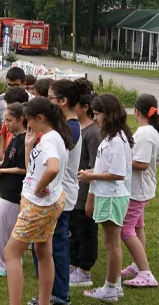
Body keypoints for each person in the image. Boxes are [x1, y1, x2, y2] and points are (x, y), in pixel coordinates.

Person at [4, 96, 71, 305]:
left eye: (29, 120)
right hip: (47, 202)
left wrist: (39, 187)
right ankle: (44, 302)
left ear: (40, 117)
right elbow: (32, 169)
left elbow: (52, 168)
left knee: (10, 254)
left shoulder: (50, 139)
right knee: (42, 251)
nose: (28, 125)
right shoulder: (53, 136)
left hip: (38, 205)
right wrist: (28, 145)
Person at [28, 79, 84, 304]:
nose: (46, 102)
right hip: (53, 193)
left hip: (59, 194)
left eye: (50, 98)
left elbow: (53, 164)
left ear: (63, 101)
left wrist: (40, 186)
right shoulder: (64, 126)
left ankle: (59, 294)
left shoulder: (68, 128)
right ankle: (49, 291)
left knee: (55, 246)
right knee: (43, 246)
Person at [78, 94, 133, 302]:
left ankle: (110, 289)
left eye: (98, 113)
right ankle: (115, 284)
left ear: (108, 114)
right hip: (106, 195)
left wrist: (90, 175)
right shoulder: (111, 137)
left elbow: (118, 173)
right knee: (111, 243)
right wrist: (92, 189)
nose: (96, 117)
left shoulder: (117, 140)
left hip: (113, 196)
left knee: (112, 245)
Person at [119, 94, 159, 287]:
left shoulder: (144, 133)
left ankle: (146, 274)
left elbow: (141, 164)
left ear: (136, 112)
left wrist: (120, 160)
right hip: (143, 187)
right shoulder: (151, 131)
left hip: (137, 189)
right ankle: (137, 265)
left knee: (125, 230)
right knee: (137, 227)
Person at [69, 79, 102, 288]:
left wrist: (90, 197)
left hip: (86, 193)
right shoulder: (78, 128)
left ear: (85, 107)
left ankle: (84, 270)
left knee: (86, 232)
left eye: (75, 106)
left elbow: (96, 168)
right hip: (74, 192)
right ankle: (74, 264)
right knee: (74, 230)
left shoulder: (93, 133)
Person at [0, 103, 27, 277]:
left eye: (9, 120)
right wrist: (1, 165)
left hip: (14, 191)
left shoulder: (27, 140)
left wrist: (2, 170)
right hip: (8, 189)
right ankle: (11, 258)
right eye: (5, 119)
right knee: (8, 226)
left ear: (21, 119)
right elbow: (10, 159)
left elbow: (23, 168)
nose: (6, 124)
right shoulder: (16, 136)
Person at [0, 67, 32, 162]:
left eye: (15, 85)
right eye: (9, 85)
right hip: (7, 146)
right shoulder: (1, 99)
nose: (11, 88)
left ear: (24, 84)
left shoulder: (32, 101)